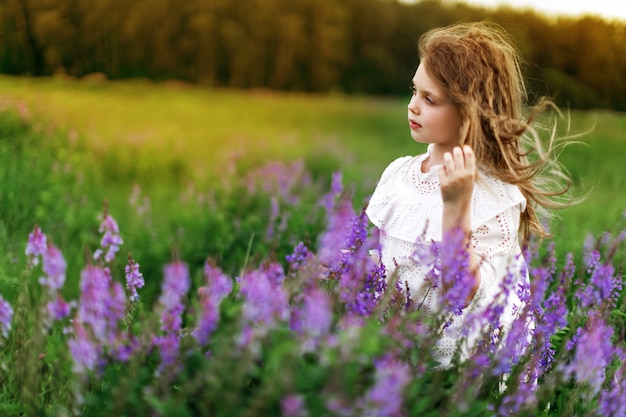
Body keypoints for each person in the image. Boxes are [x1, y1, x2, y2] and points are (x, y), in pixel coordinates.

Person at [365, 21, 572, 368]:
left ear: (468, 111)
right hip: (399, 346)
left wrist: (457, 207)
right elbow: (393, 257)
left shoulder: (493, 194)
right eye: (414, 91)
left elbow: (462, 290)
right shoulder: (400, 173)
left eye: (430, 99)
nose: (413, 106)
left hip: (459, 365)